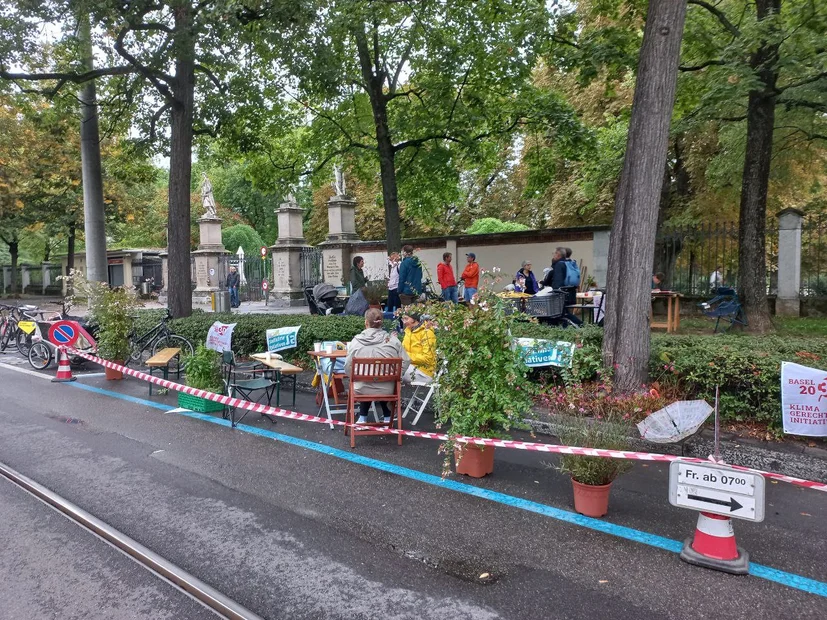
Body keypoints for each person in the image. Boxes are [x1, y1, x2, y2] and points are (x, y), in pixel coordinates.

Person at [344, 308, 411, 424]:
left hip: (361, 388)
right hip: (388, 388)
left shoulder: (356, 342)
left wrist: (354, 377)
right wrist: (397, 376)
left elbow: (347, 366)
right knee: (379, 377)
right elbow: (406, 361)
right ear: (381, 322)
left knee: (368, 377)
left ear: (366, 322)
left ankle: (362, 418)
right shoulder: (393, 341)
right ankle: (386, 417)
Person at [542, 247, 581, 326]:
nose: (553, 256)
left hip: (561, 296)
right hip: (570, 293)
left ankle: (581, 325)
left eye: (554, 254)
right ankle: (580, 326)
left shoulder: (559, 265)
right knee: (564, 314)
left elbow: (558, 282)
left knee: (558, 315)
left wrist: (554, 292)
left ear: (558, 255)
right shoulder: (569, 263)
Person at [401, 310, 437, 385]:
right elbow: (402, 351)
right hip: (410, 367)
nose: (404, 322)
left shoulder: (427, 333)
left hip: (425, 372)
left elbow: (428, 358)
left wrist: (405, 356)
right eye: (403, 319)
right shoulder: (408, 331)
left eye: (406, 319)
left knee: (394, 372)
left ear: (414, 319)